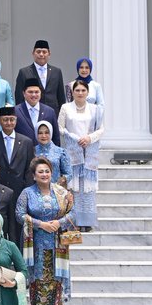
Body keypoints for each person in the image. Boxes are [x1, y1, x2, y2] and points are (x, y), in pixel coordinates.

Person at [17, 157, 77, 305]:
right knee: (38, 279)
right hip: (35, 244)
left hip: (57, 243)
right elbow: (19, 214)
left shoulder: (62, 192)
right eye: (40, 172)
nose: (44, 174)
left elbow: (72, 214)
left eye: (47, 171)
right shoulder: (27, 193)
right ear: (34, 175)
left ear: (52, 173)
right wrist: (40, 224)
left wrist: (59, 223)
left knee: (55, 279)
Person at [58, 79, 104, 230]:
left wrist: (89, 138)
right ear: (72, 92)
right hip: (72, 151)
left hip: (89, 151)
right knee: (74, 188)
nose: (80, 93)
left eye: (83, 90)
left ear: (88, 92)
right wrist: (74, 137)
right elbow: (60, 127)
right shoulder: (66, 108)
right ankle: (74, 222)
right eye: (77, 90)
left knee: (87, 188)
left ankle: (88, 221)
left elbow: (101, 129)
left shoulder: (95, 109)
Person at [0, 106, 34, 196]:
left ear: (16, 121)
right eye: (5, 120)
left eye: (12, 119)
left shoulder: (26, 142)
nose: (9, 123)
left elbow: (29, 169)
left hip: (20, 189)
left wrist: (27, 190)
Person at [14, 39, 67, 112]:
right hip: (31, 112)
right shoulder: (24, 72)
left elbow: (61, 97)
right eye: (38, 52)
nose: (41, 54)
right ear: (33, 53)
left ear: (49, 54)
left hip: (53, 113)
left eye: (44, 52)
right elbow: (19, 97)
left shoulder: (56, 72)